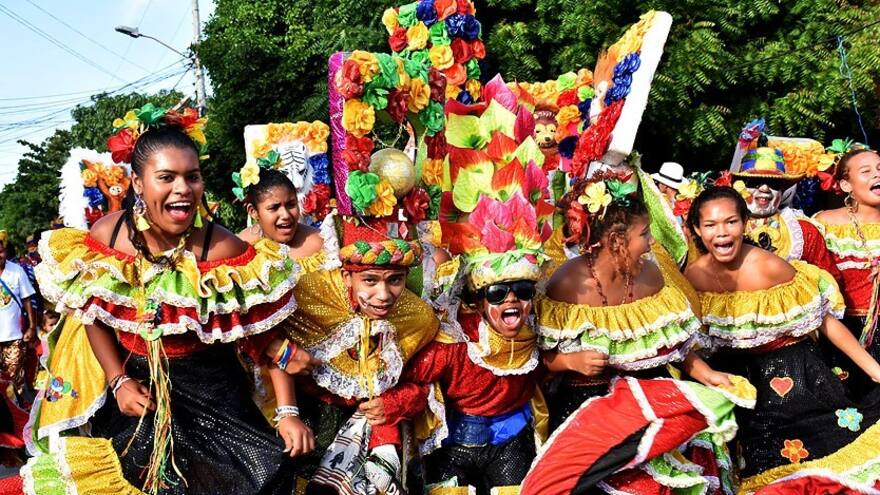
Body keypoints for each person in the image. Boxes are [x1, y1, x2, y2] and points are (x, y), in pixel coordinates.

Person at [22, 105, 308, 495]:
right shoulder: (109, 236)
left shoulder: (222, 248)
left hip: (213, 394)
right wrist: (118, 381)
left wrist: (288, 412)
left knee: (261, 476)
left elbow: (263, 334)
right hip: (140, 393)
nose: (183, 188)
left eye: (192, 176)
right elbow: (93, 315)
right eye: (166, 177)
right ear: (138, 183)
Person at [523, 172, 752, 495]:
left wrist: (709, 375)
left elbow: (676, 346)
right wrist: (569, 361)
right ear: (617, 241)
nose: (651, 242)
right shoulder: (567, 284)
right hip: (592, 409)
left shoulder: (652, 275)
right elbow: (533, 359)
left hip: (654, 399)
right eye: (644, 234)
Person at [398, 85, 551, 495]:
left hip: (514, 443)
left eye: (522, 290)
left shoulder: (540, 330)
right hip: (458, 446)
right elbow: (411, 378)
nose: (512, 299)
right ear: (477, 301)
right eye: (498, 293)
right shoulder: (456, 342)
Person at [685, 185, 880, 493]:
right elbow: (684, 342)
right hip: (739, 383)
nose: (721, 232)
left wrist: (873, 369)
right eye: (710, 224)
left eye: (731, 221)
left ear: (745, 223)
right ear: (697, 229)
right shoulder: (693, 277)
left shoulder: (770, 266)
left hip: (797, 375)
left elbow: (824, 321)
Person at [814, 144, 880, 395]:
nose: (877, 174)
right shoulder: (826, 224)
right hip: (843, 336)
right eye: (866, 171)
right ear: (845, 185)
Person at [732, 142, 841, 282]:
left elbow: (830, 277)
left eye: (774, 184)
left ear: (782, 191)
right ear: (739, 186)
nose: (764, 189)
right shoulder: (722, 227)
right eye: (755, 182)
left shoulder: (803, 231)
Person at [0, 231, 36, 404]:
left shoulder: (17, 271)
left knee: (15, 381)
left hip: (14, 337)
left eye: (0, 251)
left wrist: (32, 327)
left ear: (5, 251)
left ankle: (20, 412)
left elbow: (27, 299)